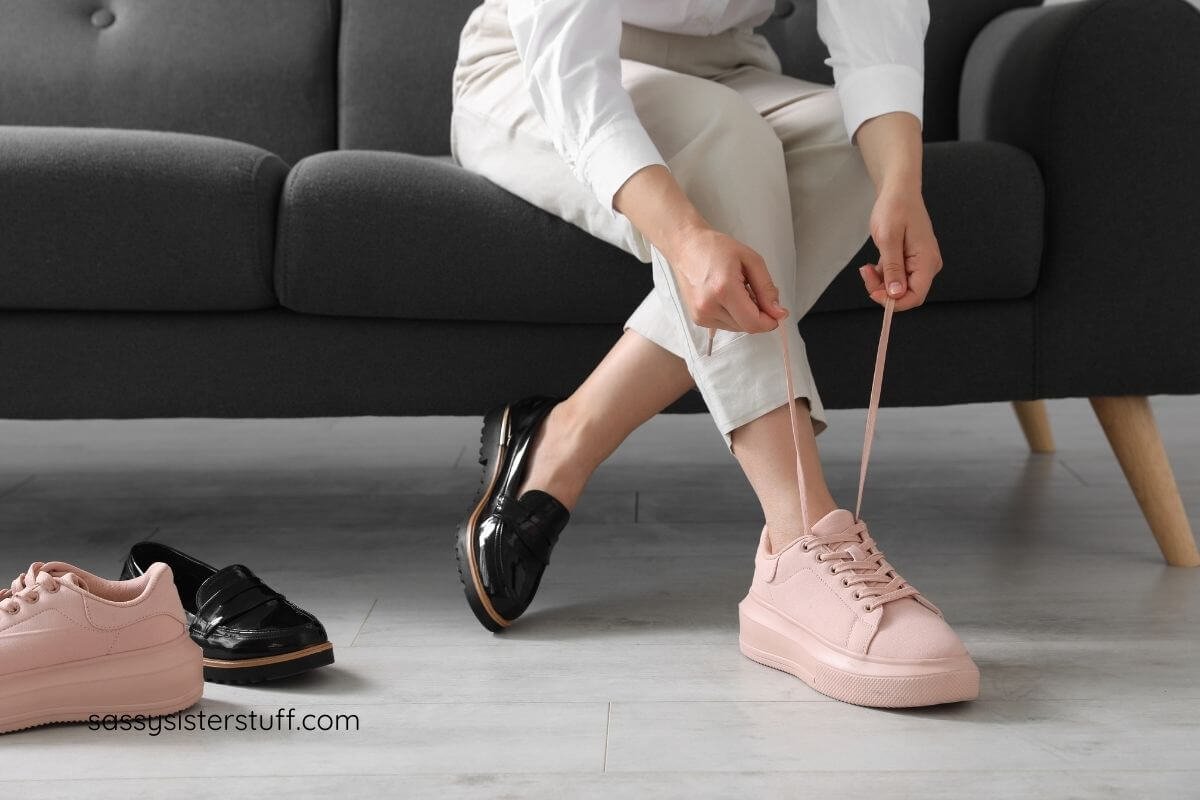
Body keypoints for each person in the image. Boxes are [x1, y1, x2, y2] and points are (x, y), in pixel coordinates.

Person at [449, 0, 980, 708]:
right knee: (724, 136)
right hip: (529, 72)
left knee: (855, 144)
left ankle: (569, 433)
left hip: (729, 70)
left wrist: (900, 187)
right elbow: (571, 70)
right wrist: (686, 238)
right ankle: (799, 537)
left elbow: (875, 24)